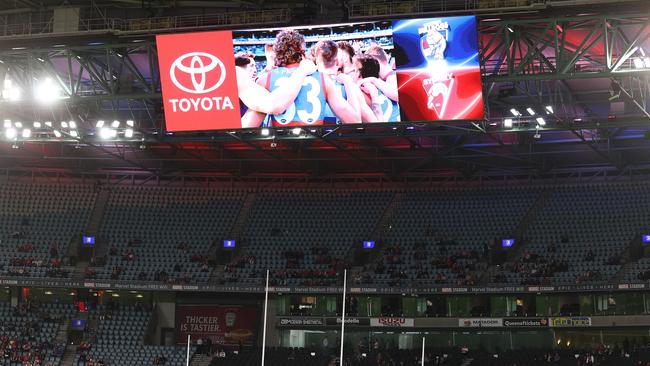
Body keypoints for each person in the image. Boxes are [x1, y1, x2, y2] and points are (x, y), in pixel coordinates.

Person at [247, 29, 361, 127]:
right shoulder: (323, 79)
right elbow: (354, 121)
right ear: (302, 51)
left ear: (277, 52)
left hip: (280, 148)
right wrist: (349, 84)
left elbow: (249, 126)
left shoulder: (265, 79)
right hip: (313, 147)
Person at [312, 40, 360, 124]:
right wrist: (349, 83)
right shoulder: (347, 85)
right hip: (340, 134)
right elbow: (356, 121)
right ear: (337, 61)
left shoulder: (306, 82)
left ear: (316, 61)